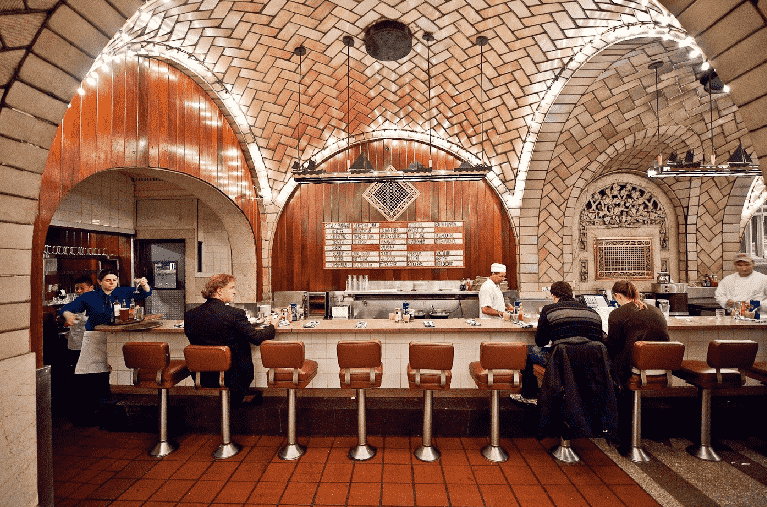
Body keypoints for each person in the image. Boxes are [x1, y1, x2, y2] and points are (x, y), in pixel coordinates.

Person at [59, 269, 152, 425]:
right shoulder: (90, 296)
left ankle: (107, 413)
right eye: (108, 280)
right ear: (100, 282)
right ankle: (88, 416)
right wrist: (68, 315)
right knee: (91, 377)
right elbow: (66, 309)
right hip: (95, 338)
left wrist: (145, 285)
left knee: (108, 375)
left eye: (114, 280)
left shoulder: (123, 292)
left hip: (115, 336)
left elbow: (144, 294)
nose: (112, 283)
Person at [184, 274, 275, 408]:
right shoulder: (235, 314)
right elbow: (256, 338)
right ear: (219, 291)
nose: (235, 291)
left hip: (202, 376)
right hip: (235, 377)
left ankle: (235, 402)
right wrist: (273, 326)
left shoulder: (190, 315)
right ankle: (238, 400)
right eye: (232, 287)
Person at [511, 281, 604, 405]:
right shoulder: (593, 313)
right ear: (571, 294)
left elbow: (540, 341)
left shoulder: (549, 309)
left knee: (528, 352)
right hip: (589, 363)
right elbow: (598, 342)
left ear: (554, 295)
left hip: (561, 359)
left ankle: (529, 396)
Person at [603, 280, 669, 453]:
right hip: (663, 366)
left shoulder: (617, 314)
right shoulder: (654, 310)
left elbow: (613, 345)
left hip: (634, 369)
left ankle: (617, 433)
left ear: (617, 295)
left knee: (605, 369)